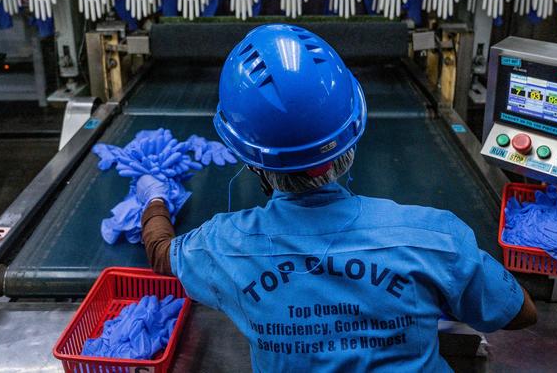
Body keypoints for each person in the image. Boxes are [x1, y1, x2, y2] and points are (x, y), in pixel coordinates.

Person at [138, 24, 536, 372]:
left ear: (252, 161)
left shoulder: (224, 246)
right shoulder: (434, 237)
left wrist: (155, 199)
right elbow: (520, 314)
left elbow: (162, 253)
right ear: (352, 136)